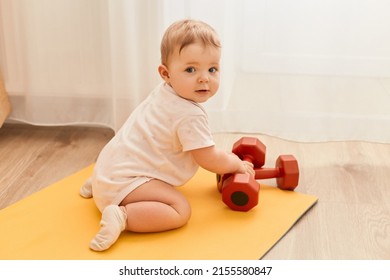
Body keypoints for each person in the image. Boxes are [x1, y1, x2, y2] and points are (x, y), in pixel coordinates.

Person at [79, 19, 255, 251]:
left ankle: (101, 185)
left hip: (107, 170)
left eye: (212, 69)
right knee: (180, 210)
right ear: (166, 73)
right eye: (191, 69)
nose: (204, 78)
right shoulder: (189, 115)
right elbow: (208, 158)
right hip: (123, 184)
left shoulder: (165, 93)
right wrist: (235, 165)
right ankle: (122, 215)